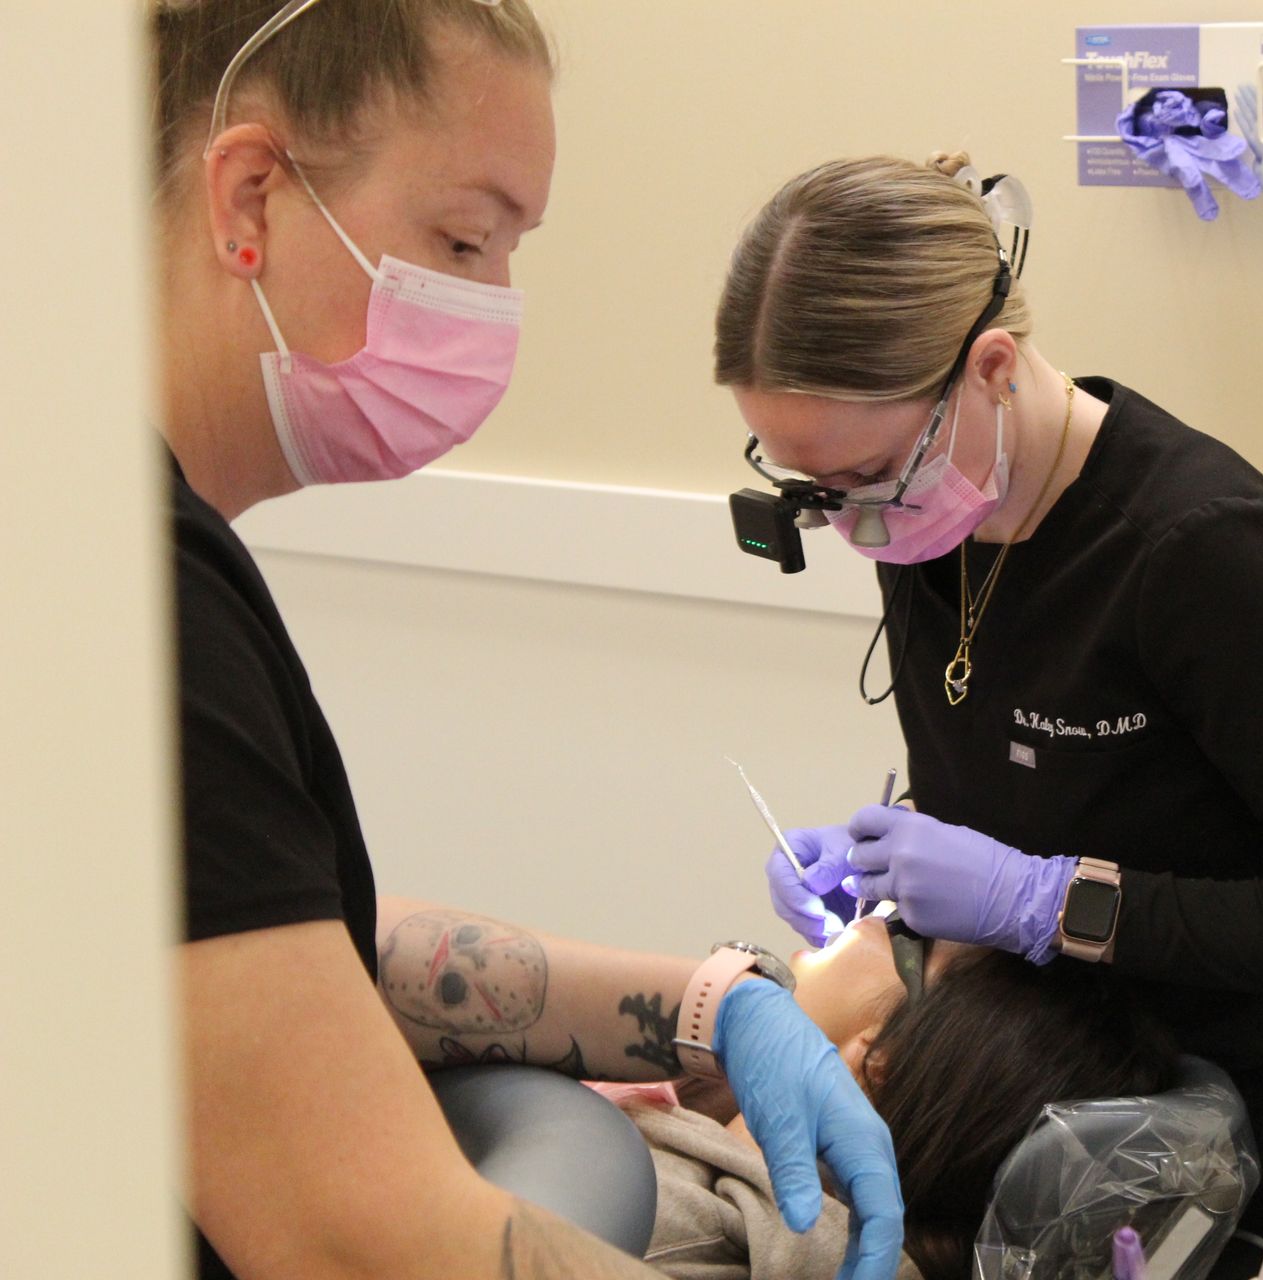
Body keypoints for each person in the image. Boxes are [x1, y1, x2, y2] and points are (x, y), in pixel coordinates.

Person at [154, 4, 901, 1278]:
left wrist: (706, 1006)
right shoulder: (128, 592)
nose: (494, 307)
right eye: (462, 238)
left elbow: (282, 945)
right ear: (251, 195)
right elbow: (365, 1243)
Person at [717, 152, 1263, 1278]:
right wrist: (905, 866)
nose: (855, 527)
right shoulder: (932, 522)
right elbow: (1061, 782)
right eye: (817, 489)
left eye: (871, 475)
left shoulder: (1205, 553)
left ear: (989, 367)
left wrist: (1044, 898)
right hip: (1074, 1128)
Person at [603, 914, 1180, 1280]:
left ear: (882, 1061)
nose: (869, 915)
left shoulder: (645, 1219)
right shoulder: (676, 1119)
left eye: (909, 932)